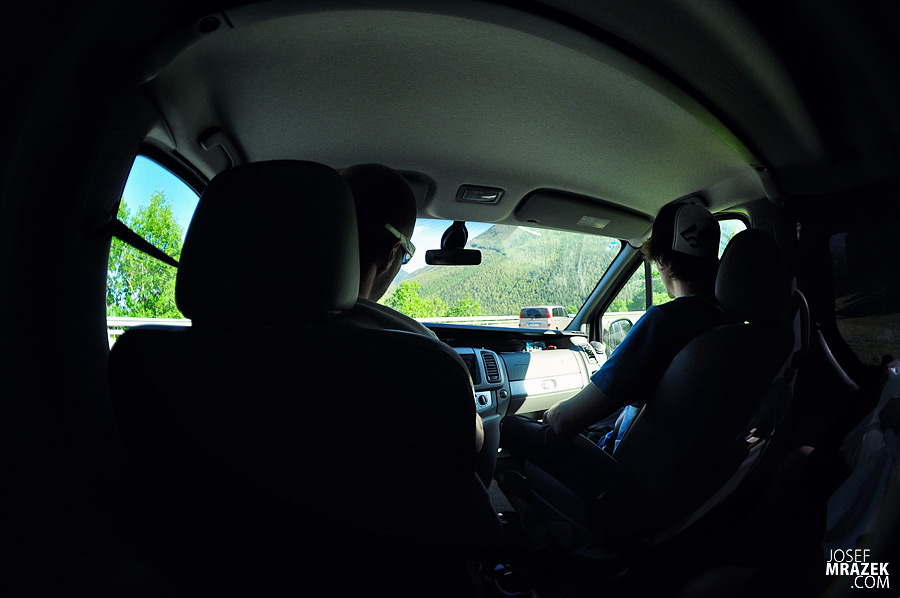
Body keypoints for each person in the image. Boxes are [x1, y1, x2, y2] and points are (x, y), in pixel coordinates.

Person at [499, 203, 727, 499]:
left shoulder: (665, 322)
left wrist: (552, 413)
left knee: (509, 426)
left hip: (626, 484)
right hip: (689, 481)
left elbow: (565, 422)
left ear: (663, 260)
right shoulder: (729, 326)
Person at [335, 163, 484, 452]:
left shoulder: (252, 328)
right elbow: (472, 441)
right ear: (392, 253)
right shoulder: (425, 354)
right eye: (406, 254)